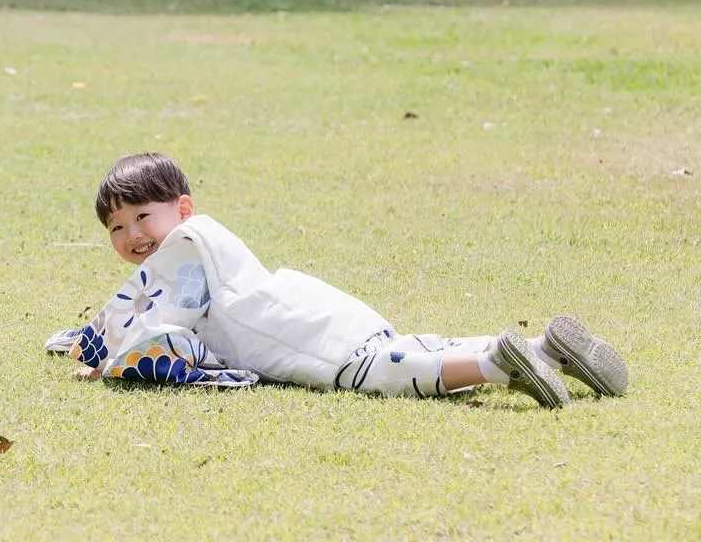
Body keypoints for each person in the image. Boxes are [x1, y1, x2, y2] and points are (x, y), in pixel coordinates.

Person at [45, 153, 629, 407]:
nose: (131, 236)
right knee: (405, 348)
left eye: (141, 216)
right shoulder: (205, 244)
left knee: (379, 373)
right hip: (310, 304)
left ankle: (495, 366)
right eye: (116, 227)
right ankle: (541, 349)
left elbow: (158, 329)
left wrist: (109, 355)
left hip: (288, 331)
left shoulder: (185, 251)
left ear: (183, 209)